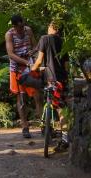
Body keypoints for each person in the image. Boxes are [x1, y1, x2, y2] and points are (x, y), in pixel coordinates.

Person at [30, 19, 69, 150]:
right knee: (61, 109)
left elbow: (39, 60)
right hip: (62, 79)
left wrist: (33, 68)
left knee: (50, 102)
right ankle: (65, 139)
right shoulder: (63, 42)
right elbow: (66, 65)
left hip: (50, 78)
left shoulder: (44, 39)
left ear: (52, 27)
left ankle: (48, 127)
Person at [5, 14, 40, 138]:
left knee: (37, 94)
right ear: (14, 26)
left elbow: (36, 46)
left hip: (30, 67)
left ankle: (44, 124)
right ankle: (25, 126)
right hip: (17, 69)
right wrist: (25, 62)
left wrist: (33, 51)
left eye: (23, 25)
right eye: (19, 27)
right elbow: (11, 54)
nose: (22, 29)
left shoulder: (28, 30)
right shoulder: (9, 34)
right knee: (21, 98)